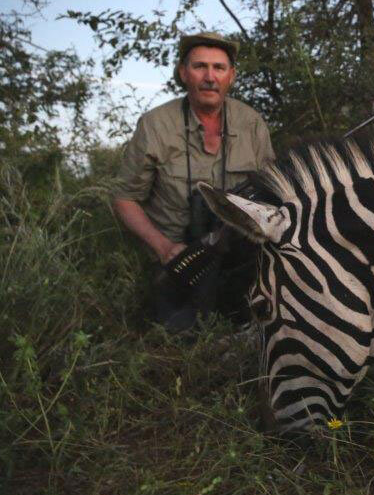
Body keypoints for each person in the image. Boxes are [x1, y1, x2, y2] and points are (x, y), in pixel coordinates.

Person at [113, 31, 275, 333]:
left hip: (241, 259)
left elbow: (272, 192)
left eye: (219, 68)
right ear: (183, 73)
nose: (210, 77)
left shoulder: (252, 123)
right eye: (200, 66)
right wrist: (163, 247)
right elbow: (124, 198)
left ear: (231, 76)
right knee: (177, 338)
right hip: (180, 263)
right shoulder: (155, 124)